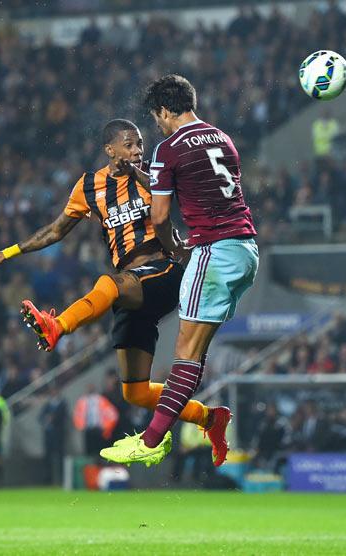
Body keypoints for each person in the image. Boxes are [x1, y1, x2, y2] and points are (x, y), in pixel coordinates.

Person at [0, 119, 219, 450]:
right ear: (110, 149)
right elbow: (55, 230)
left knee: (109, 283)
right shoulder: (90, 186)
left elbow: (170, 195)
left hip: (164, 271)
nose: (137, 150)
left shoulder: (152, 173)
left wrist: (136, 172)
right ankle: (210, 418)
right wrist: (7, 253)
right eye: (129, 144)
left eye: (140, 145)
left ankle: (57, 326)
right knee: (135, 391)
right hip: (131, 289)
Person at [101, 75, 258, 467]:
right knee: (196, 351)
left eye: (157, 118)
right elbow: (202, 184)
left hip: (213, 251)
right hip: (246, 251)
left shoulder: (168, 148)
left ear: (165, 110)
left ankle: (151, 442)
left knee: (184, 354)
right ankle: (211, 419)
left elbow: (159, 216)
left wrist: (177, 251)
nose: (158, 126)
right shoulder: (223, 138)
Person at [73, 384, 118, 457]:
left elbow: (112, 414)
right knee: (89, 452)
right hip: (88, 429)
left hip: (99, 429)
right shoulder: (82, 401)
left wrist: (106, 427)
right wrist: (80, 426)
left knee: (99, 451)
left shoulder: (100, 399)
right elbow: (77, 414)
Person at [39, 385, 68, 485]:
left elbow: (64, 418)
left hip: (58, 434)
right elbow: (40, 417)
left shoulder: (62, 404)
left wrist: (54, 419)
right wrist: (45, 419)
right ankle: (48, 479)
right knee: (48, 457)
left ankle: (62, 479)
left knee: (60, 457)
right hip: (48, 434)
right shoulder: (47, 404)